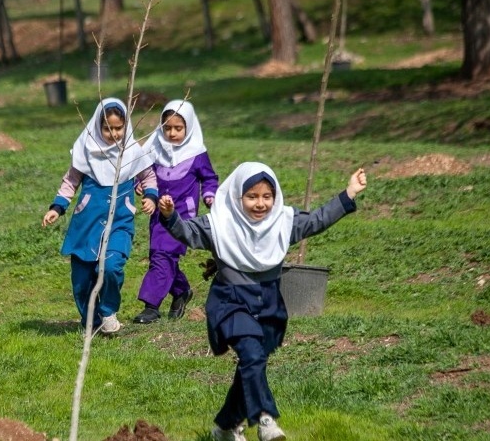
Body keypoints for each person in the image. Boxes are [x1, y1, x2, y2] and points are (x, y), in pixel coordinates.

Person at [157, 162, 366, 441]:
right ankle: (266, 421)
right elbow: (188, 232)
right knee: (252, 357)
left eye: (267, 197)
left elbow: (317, 220)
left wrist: (349, 192)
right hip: (231, 302)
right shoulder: (220, 224)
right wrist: (170, 216)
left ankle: (224, 427)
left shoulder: (282, 223)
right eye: (252, 197)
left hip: (268, 305)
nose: (260, 204)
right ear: (237, 197)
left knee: (250, 366)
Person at [42, 97, 158, 334]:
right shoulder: (86, 151)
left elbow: (148, 177)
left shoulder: (133, 152)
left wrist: (150, 197)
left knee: (112, 265)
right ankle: (91, 321)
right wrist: (57, 207)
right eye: (107, 128)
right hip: (86, 225)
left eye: (118, 128)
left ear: (126, 126)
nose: (114, 133)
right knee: (82, 279)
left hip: (119, 222)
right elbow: (71, 181)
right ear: (98, 126)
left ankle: (108, 310)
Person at [132, 99, 219, 324]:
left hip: (182, 217)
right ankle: (182, 291)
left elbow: (209, 177)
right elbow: (142, 174)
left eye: (178, 128)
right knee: (161, 256)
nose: (172, 133)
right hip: (158, 213)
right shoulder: (153, 149)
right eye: (167, 127)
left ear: (189, 127)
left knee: (162, 255)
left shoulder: (197, 153)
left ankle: (151, 306)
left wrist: (209, 194)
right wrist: (138, 185)